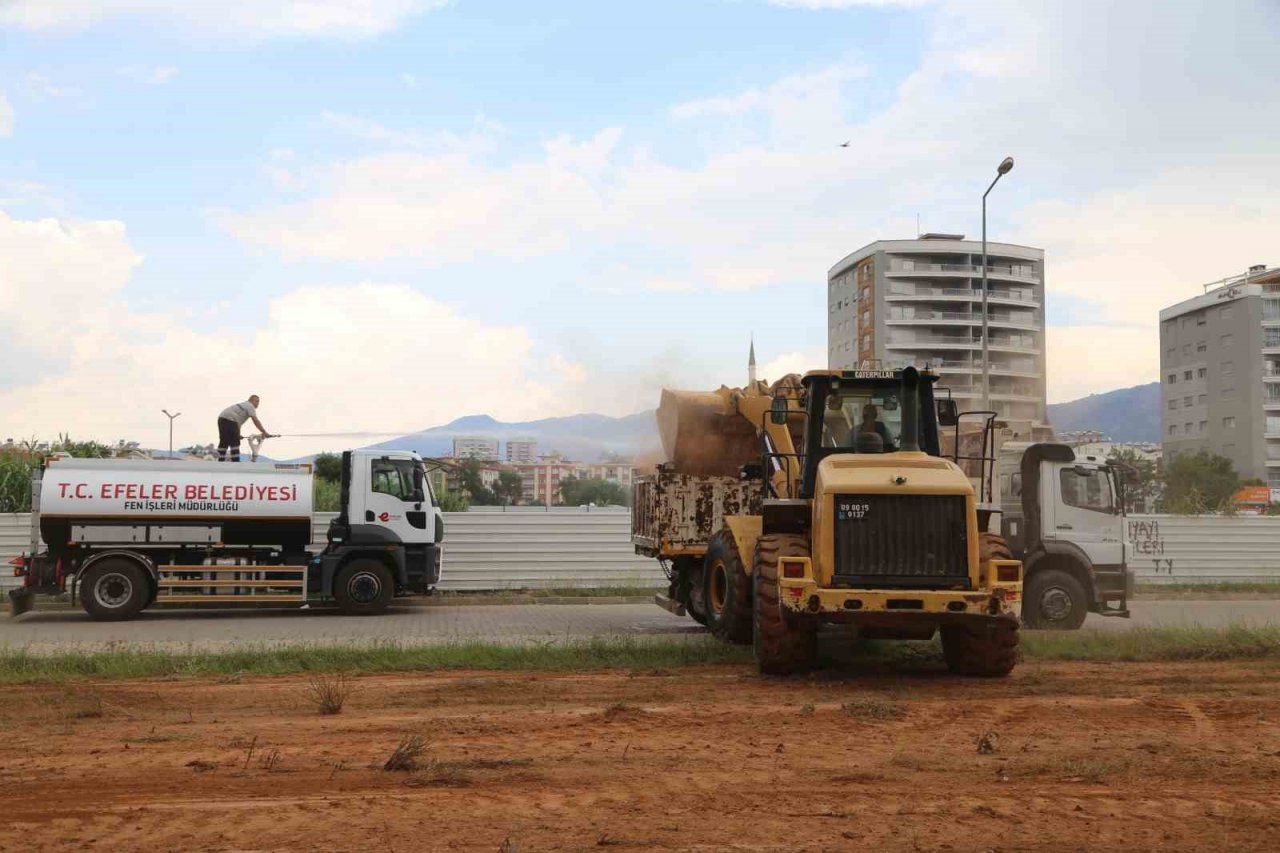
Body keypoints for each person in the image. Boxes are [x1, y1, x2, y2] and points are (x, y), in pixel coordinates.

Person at [217, 395, 272, 462]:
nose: (258, 403)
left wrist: (238, 434)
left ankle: (220, 461)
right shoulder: (250, 406)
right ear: (252, 400)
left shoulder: (244, 405)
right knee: (235, 442)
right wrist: (264, 432)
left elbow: (237, 424)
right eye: (257, 401)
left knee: (224, 441)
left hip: (222, 418)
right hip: (230, 420)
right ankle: (235, 462)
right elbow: (255, 421)